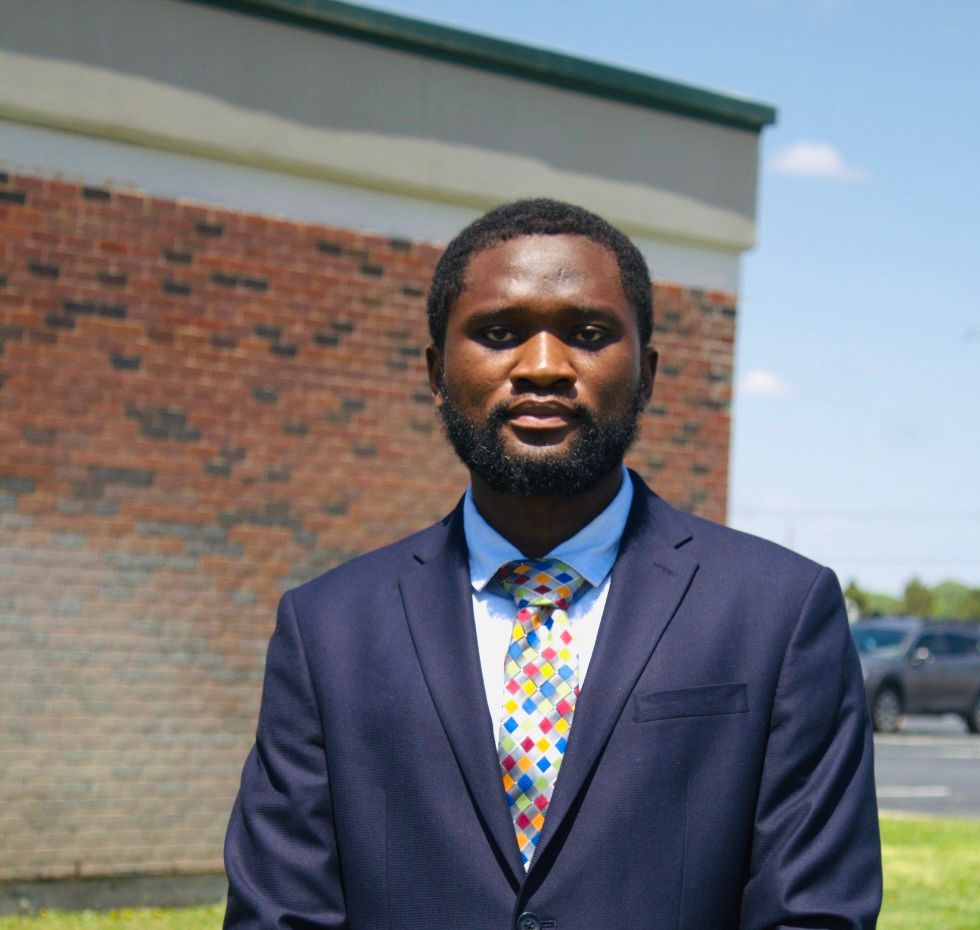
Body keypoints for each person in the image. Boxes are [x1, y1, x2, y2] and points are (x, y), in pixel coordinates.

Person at [223, 199, 882, 929]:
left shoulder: (777, 613)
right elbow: (278, 914)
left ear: (647, 374)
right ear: (437, 372)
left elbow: (813, 914)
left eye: (588, 335)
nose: (543, 367)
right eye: (499, 334)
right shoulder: (328, 629)